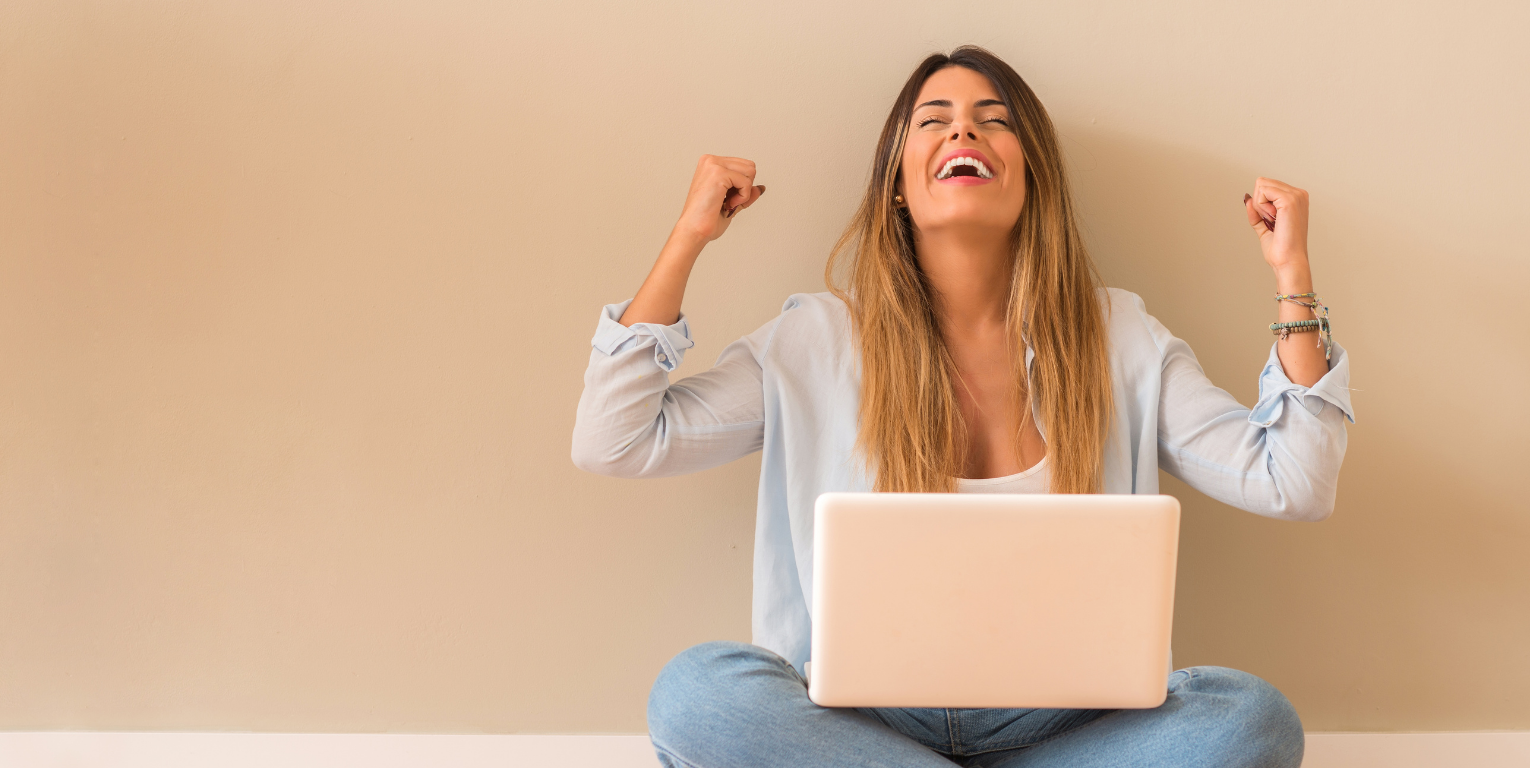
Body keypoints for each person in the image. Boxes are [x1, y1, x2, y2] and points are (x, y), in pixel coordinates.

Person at [569, 46, 1351, 768]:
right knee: (696, 691)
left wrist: (1292, 274)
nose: (963, 131)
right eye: (933, 121)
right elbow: (618, 440)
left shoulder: (1118, 334)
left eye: (993, 120)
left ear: (1030, 174)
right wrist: (687, 238)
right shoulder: (814, 339)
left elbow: (1292, 481)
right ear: (898, 185)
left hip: (1066, 726)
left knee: (1252, 719)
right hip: (863, 723)